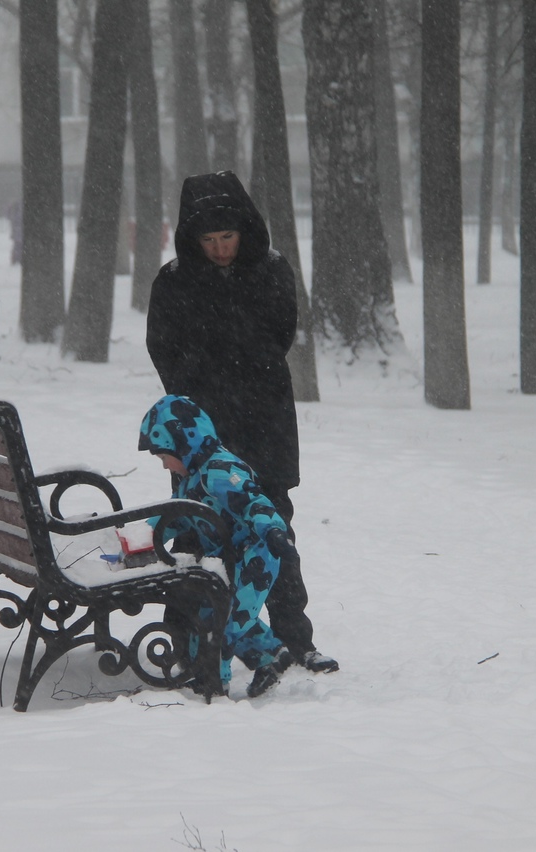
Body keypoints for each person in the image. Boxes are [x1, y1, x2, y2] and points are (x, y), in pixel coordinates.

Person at [145, 170, 338, 675]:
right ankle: (185, 638)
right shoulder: (172, 281)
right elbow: (164, 351)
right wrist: (200, 394)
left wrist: (225, 351)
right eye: (208, 241)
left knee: (274, 530)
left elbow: (277, 338)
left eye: (227, 237)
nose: (220, 249)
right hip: (203, 435)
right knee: (196, 535)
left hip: (265, 424)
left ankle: (294, 638)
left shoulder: (271, 271)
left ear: (245, 231)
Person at [139, 395, 296, 698]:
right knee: (215, 613)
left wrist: (275, 533)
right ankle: (272, 657)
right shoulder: (190, 479)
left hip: (258, 555)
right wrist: (147, 533)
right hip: (228, 560)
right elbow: (177, 515)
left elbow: (255, 504)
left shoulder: (222, 472)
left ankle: (212, 684)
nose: (164, 466)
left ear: (185, 443)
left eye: (163, 457)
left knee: (222, 622)